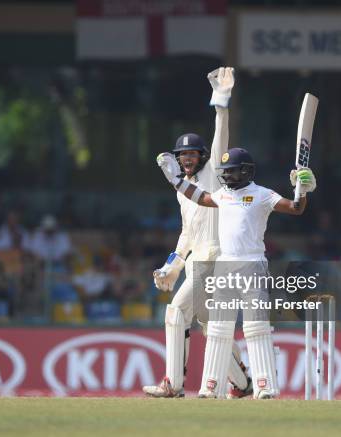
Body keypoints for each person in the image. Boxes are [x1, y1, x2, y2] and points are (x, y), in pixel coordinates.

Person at [156, 147, 317, 399]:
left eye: (231, 172)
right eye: (225, 172)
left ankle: (264, 385)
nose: (227, 177)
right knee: (218, 328)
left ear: (245, 171)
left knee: (256, 327)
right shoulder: (222, 195)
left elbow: (296, 208)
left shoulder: (262, 194)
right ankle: (211, 387)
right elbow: (200, 197)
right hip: (224, 266)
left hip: (253, 266)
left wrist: (303, 189)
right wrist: (176, 181)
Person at [143, 67, 251, 399]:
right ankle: (243, 383)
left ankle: (173, 384)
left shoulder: (214, 178)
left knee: (176, 311)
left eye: (192, 155)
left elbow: (222, 135)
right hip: (198, 261)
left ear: (202, 157)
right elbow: (187, 234)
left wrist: (221, 99)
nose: (186, 160)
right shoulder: (182, 190)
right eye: (182, 156)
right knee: (208, 326)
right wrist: (172, 267)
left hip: (217, 260)